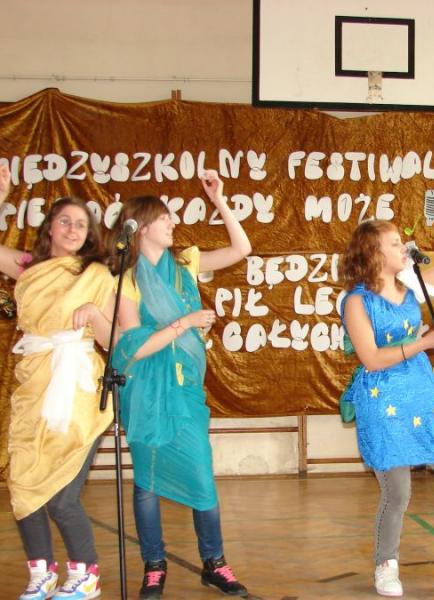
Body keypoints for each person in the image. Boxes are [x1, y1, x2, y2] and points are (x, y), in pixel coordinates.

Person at [340, 187, 434, 599]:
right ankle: (386, 563)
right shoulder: (356, 302)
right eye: (393, 243)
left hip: (423, 394)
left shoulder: (411, 284)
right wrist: (422, 344)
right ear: (372, 253)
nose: (403, 247)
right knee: (399, 490)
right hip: (383, 398)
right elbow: (371, 359)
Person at [111, 170, 252, 599]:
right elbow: (134, 346)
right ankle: (154, 565)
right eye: (164, 217)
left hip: (186, 389)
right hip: (146, 390)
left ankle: (215, 563)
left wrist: (220, 200)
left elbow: (241, 249)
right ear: (141, 227)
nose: (172, 222)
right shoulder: (127, 278)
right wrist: (185, 322)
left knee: (202, 476)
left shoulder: (185, 262)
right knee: (147, 482)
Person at [0, 164, 115, 599]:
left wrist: (94, 315)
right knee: (23, 486)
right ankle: (41, 575)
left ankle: (86, 575)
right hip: (34, 387)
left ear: (89, 234)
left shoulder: (97, 274)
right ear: (50, 228)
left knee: (61, 497)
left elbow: (114, 338)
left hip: (77, 391)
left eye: (81, 224)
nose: (73, 229)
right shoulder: (29, 267)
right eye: (65, 221)